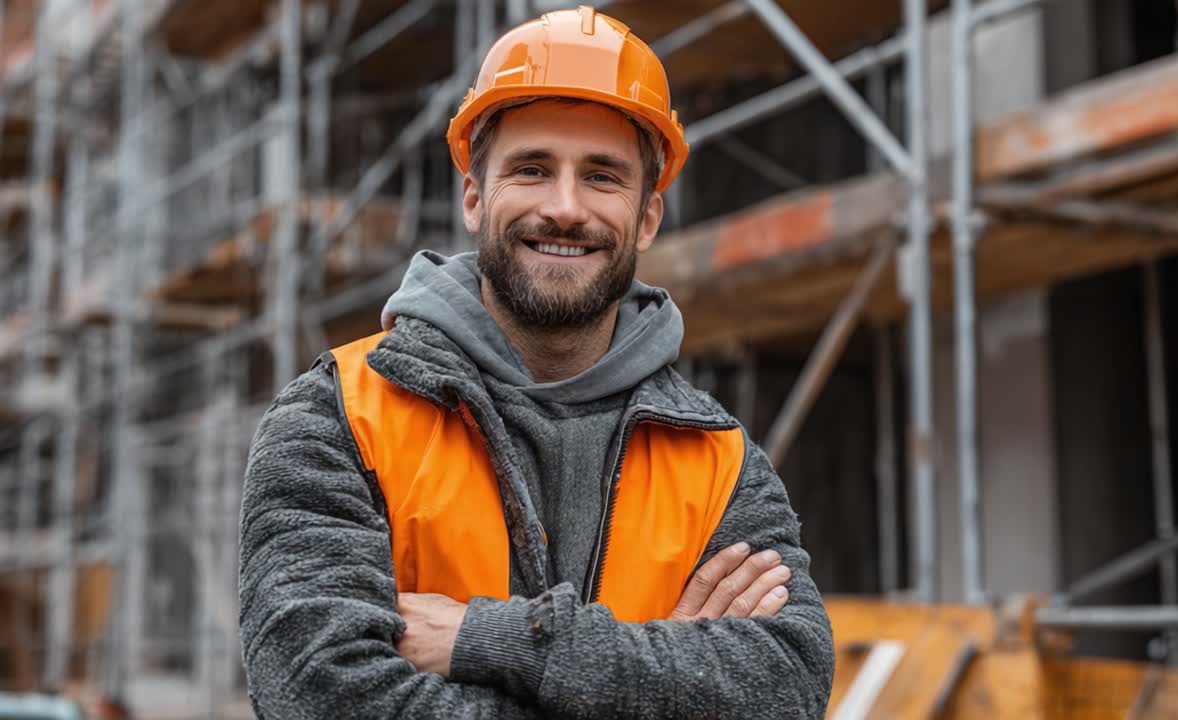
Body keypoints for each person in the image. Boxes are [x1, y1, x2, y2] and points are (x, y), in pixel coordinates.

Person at [238, 6, 834, 718]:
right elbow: (321, 696)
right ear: (473, 196)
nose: (564, 207)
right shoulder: (340, 417)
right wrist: (655, 677)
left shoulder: (715, 460)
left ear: (647, 217)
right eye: (531, 168)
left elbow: (789, 685)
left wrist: (495, 640)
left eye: (603, 177)